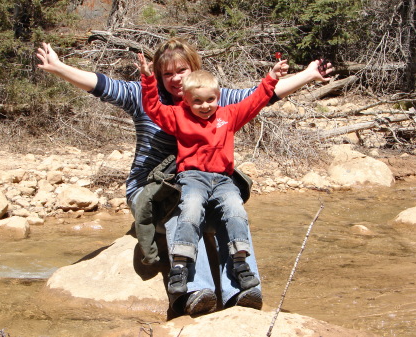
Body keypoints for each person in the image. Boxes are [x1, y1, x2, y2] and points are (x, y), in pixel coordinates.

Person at [36, 38, 333, 316]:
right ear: (160, 77)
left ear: (194, 69)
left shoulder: (208, 97)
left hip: (201, 181)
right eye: (168, 74)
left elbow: (261, 97)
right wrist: (59, 67)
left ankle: (242, 292)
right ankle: (197, 290)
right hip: (150, 187)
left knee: (231, 213)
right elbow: (102, 85)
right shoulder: (144, 97)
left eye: (182, 70)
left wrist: (308, 74)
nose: (176, 78)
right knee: (187, 211)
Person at [136, 52, 288, 297]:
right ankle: (180, 265)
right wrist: (148, 78)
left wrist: (271, 77)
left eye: (210, 100)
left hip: (223, 179)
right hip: (192, 177)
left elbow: (256, 100)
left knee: (236, 209)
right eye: (197, 101)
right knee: (191, 208)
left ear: (218, 97)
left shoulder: (228, 116)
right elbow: (152, 107)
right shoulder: (178, 116)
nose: (204, 106)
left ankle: (240, 262)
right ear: (185, 100)